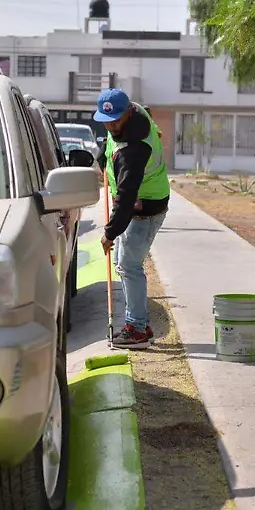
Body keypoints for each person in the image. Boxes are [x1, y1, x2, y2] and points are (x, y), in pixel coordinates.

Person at [94, 88, 170, 349]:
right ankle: (135, 323)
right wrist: (102, 158)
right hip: (135, 202)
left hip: (145, 206)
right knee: (124, 265)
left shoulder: (134, 150)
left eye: (116, 120)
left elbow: (127, 199)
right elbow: (111, 141)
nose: (111, 125)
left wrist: (109, 233)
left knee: (129, 265)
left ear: (127, 113)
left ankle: (138, 329)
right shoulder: (131, 113)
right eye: (107, 121)